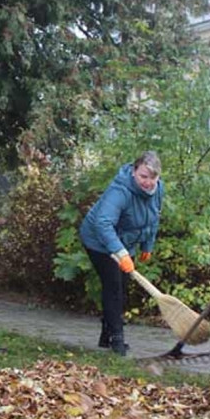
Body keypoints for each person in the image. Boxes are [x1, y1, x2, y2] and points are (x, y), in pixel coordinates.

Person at [79, 151, 164, 356]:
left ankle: (106, 334)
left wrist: (147, 246)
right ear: (134, 172)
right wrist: (119, 252)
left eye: (153, 177)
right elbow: (103, 223)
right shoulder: (120, 191)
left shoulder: (158, 189)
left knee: (123, 285)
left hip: (126, 242)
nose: (148, 182)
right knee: (114, 286)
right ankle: (117, 338)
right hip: (98, 239)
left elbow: (153, 218)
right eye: (143, 176)